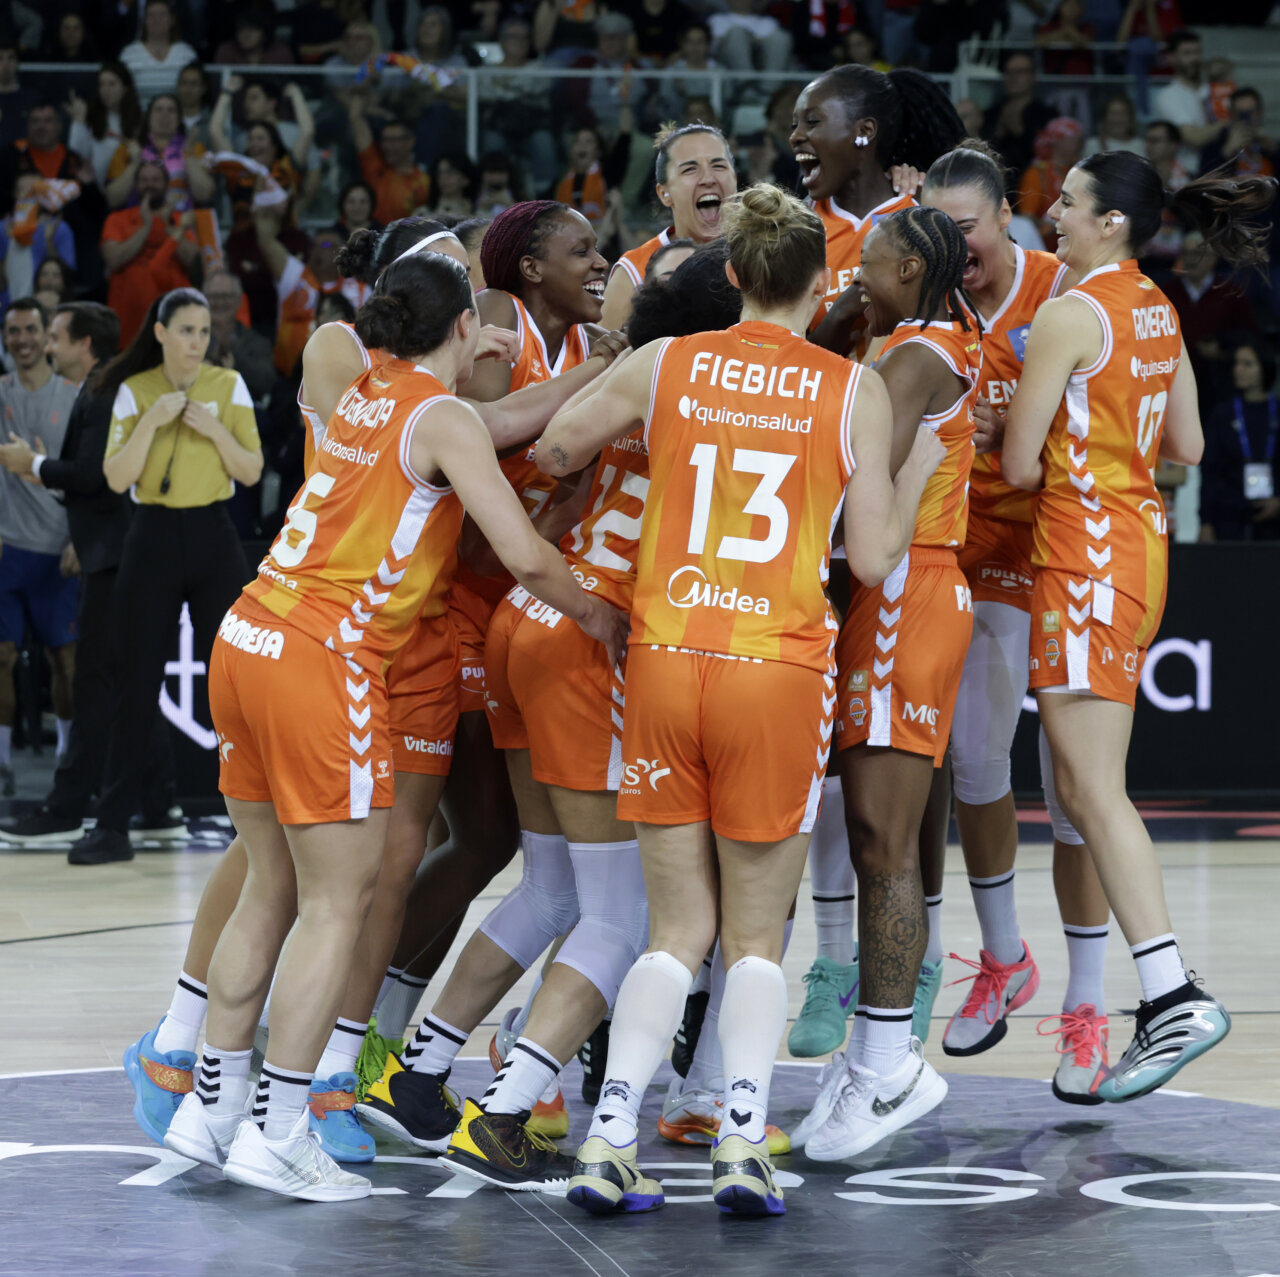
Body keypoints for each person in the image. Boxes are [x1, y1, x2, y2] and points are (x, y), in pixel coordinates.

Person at [159, 250, 627, 1203]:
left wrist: (596, 370)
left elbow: (498, 420)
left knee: (271, 891)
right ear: (462, 329)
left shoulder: (374, 390)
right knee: (340, 901)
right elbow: (526, 553)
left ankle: (209, 1110)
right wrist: (595, 613)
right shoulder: (440, 414)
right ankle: (282, 1128)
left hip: (249, 633)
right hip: (322, 658)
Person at [532, 185, 940, 1217]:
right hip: (775, 668)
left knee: (673, 930)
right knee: (754, 938)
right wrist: (920, 459)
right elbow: (882, 559)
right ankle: (740, 1143)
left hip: (667, 658)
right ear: (820, 283)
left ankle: (610, 1134)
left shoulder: (666, 361)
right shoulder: (852, 391)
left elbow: (554, 446)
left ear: (732, 275)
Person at [1002, 151, 1275, 1100]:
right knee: (1081, 791)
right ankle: (1144, 995)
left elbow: (1021, 463)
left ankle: (1170, 991)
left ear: (1110, 220)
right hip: (1138, 556)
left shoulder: (1071, 314)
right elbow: (1189, 448)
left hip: (1081, 562)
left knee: (1090, 789)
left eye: (1069, 204)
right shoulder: (1156, 306)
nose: (1054, 216)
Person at [920, 142, 1115, 1100]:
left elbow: (1145, 434)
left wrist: (1027, 432)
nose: (954, 248)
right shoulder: (927, 303)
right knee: (974, 760)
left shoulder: (1065, 295)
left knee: (1078, 792)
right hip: (976, 558)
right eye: (937, 229)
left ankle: (1088, 1009)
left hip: (1068, 558)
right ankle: (1004, 959)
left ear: (1006, 220)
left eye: (966, 229)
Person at [792, 205, 979, 1165]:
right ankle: (868, 1061)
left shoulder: (912, 359)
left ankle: (888, 1066)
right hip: (900, 590)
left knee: (883, 839)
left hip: (911, 585)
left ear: (910, 265)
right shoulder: (912, 337)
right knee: (874, 840)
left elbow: (852, 467)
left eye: (865, 264)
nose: (852, 276)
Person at [65, 289, 263, 866]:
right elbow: (116, 475)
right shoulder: (135, 391)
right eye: (185, 331)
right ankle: (112, 824)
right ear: (160, 332)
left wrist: (213, 430)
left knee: (233, 681)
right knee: (133, 679)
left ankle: (253, 819)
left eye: (203, 332)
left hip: (212, 537)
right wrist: (151, 422)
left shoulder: (228, 387)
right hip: (149, 536)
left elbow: (251, 471)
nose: (196, 343)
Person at [0, 302, 182, 841]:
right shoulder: (101, 389)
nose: (49, 346)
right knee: (125, 682)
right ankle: (160, 804)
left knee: (96, 682)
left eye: (55, 336)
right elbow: (86, 483)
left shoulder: (104, 394)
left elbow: (99, 478)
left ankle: (68, 806)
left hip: (116, 558)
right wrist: (46, 474)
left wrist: (32, 466)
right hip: (116, 554)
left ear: (84, 344)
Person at [789, 63, 965, 355]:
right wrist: (842, 313)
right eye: (794, 124)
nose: (796, 136)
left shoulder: (923, 215)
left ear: (865, 131)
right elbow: (791, 360)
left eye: (812, 121)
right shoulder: (795, 231)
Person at [0, 298, 80, 796]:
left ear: (46, 335)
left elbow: (85, 475)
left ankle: (69, 759)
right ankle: (2, 762)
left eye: (31, 329)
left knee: (65, 662)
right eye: (13, 331)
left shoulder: (74, 396)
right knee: (1, 657)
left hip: (59, 551)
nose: (23, 339)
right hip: (7, 549)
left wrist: (77, 538)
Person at [600, 123, 737, 330]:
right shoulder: (635, 271)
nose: (708, 178)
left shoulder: (766, 256)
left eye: (718, 166)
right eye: (690, 169)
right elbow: (606, 357)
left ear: (735, 179)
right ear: (664, 193)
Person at [100, 160, 201, 346]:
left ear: (167, 185)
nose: (150, 185)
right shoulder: (117, 219)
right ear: (136, 185)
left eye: (156, 179)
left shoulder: (181, 220)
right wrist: (146, 227)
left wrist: (169, 228)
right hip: (127, 329)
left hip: (174, 327)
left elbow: (195, 264)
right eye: (144, 180)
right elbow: (113, 260)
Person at [1199, 338, 1280, 542]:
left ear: (1265, 366)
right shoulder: (1223, 414)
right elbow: (1210, 471)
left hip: (1274, 518)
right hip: (1230, 516)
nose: (1238, 370)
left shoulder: (1276, 411)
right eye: (1236, 363)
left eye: (1247, 364)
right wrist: (1206, 522)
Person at [106, 92, 213, 211]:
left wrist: (188, 153)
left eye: (171, 110)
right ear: (148, 117)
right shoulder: (127, 149)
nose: (164, 115)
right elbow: (113, 199)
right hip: (137, 223)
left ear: (179, 119)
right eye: (158, 110)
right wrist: (135, 162)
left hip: (181, 223)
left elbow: (204, 195)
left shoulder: (195, 148)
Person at [348, 97, 430, 228]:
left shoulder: (423, 182)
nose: (388, 146)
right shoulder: (375, 167)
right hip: (371, 240)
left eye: (394, 140)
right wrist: (362, 88)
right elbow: (355, 117)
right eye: (385, 140)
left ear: (410, 141)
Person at [204, 269, 277, 402]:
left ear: (239, 300)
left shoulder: (257, 342)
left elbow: (266, 382)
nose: (220, 302)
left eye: (226, 296)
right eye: (213, 296)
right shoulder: (190, 340)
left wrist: (232, 354)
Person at [981, 51, 1056, 184]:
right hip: (994, 184)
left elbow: (1051, 157)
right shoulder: (991, 113)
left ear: (1033, 76)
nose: (1013, 77)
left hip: (1035, 187)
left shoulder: (1047, 115)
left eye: (1020, 72)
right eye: (1008, 72)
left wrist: (1019, 132)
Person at [68, 63, 143, 190]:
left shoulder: (140, 120)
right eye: (101, 84)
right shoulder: (90, 118)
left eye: (112, 84)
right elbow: (77, 155)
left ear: (125, 88)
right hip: (94, 191)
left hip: (129, 190)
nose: (105, 90)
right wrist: (78, 121)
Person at [1152, 30, 1228, 155]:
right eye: (1187, 53)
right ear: (1172, 58)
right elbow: (1194, 138)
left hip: (1220, 165)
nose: (1194, 58)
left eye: (1197, 52)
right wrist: (1229, 121)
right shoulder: (1167, 96)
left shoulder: (1212, 88)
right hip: (1190, 172)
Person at [1017, 118, 1085, 251]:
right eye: (1077, 141)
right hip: (1044, 252)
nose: (1081, 146)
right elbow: (1027, 218)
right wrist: (1056, 226)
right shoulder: (1037, 173)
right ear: (1059, 142)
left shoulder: (1081, 173)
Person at [120, 0, 199, 103]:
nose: (157, 20)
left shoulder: (187, 54)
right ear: (144, 20)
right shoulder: (128, 55)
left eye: (163, 15)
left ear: (172, 19)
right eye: (151, 15)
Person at [1085, 93, 1145, 158]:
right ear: (1104, 117)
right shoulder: (1093, 145)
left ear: (1130, 117)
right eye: (1113, 113)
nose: (1117, 119)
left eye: (1122, 113)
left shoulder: (1141, 145)